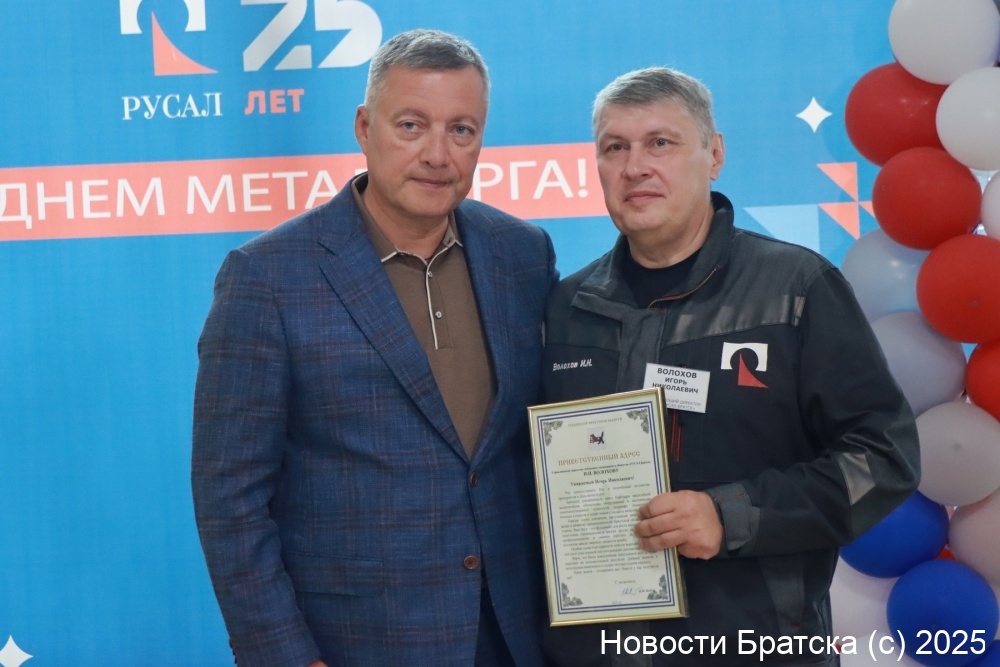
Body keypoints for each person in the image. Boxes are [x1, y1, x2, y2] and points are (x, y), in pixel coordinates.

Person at [191, 29, 557, 667]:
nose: (437, 154)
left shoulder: (522, 254)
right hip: (359, 643)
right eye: (411, 125)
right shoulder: (267, 276)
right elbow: (230, 497)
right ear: (364, 127)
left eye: (461, 130)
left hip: (517, 635)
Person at [538, 67, 920, 666]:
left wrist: (729, 515)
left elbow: (883, 458)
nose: (635, 167)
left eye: (660, 143)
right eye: (615, 148)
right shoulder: (568, 307)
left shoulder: (797, 288)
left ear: (714, 155)